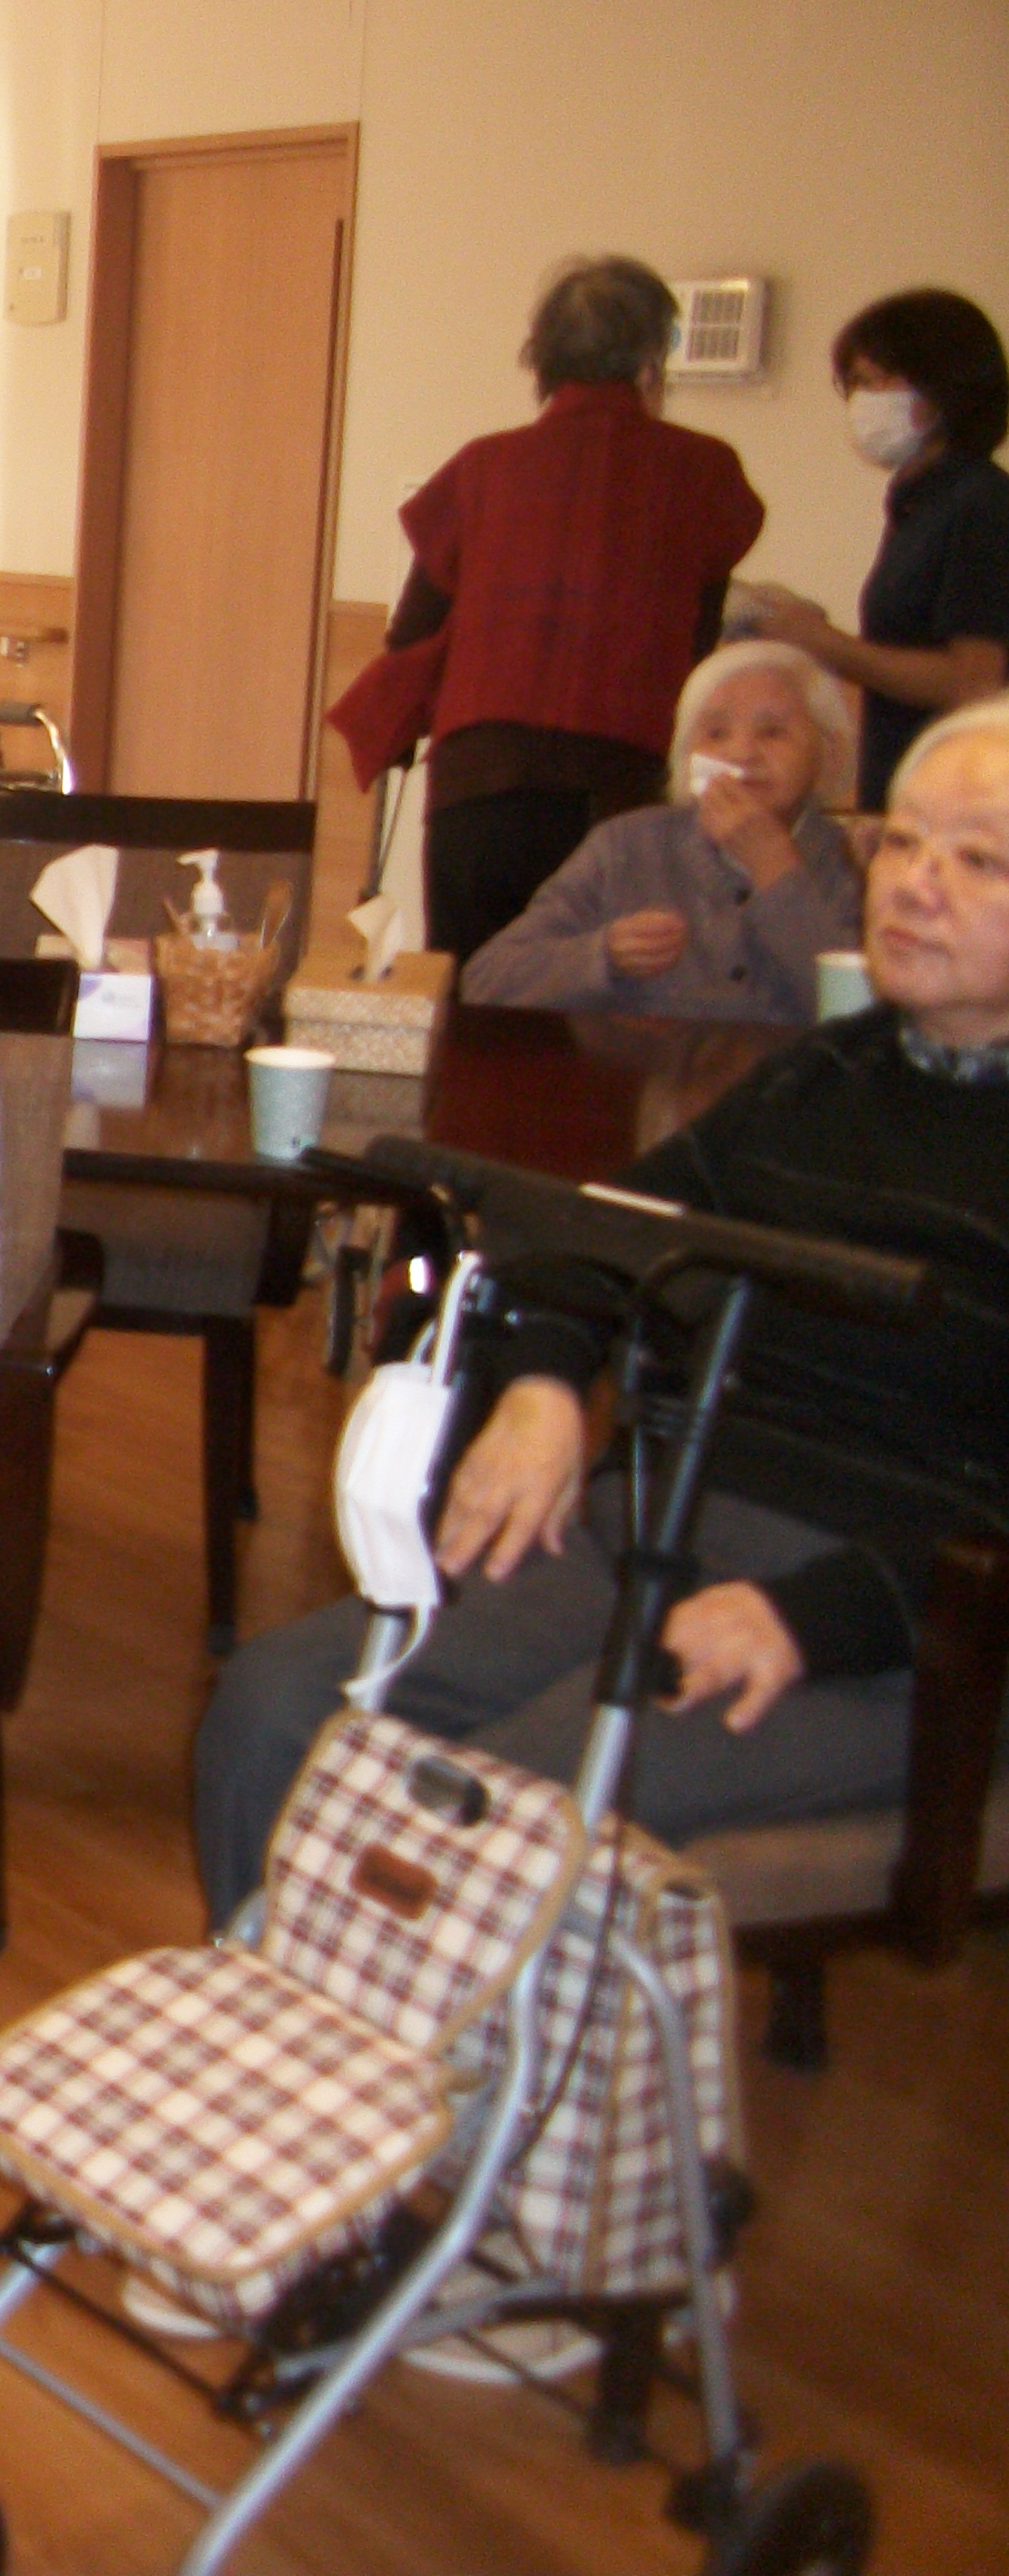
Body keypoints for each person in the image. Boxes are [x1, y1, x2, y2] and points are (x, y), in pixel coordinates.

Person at [197, 694, 1009, 1939]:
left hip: (911, 1627)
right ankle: (277, 2035)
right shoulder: (821, 1076)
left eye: (978, 859)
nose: (915, 884)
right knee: (275, 1706)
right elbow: (599, 1232)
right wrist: (542, 1384)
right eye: (901, 842)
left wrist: (815, 1617)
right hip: (666, 1530)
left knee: (488, 1803)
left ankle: (373, 2052)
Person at [384, 256, 766, 965]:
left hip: (479, 786)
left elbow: (409, 639)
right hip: (616, 785)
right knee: (604, 989)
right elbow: (697, 645)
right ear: (651, 363)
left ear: (543, 362)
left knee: (479, 987)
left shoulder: (482, 466)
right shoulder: (703, 470)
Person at [460, 640, 863, 1023]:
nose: (741, 753)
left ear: (829, 755)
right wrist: (603, 955)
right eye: (716, 733)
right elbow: (486, 981)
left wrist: (774, 868)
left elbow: (870, 1016)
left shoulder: (856, 860)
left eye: (772, 732)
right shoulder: (626, 846)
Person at [746, 289, 1009, 812]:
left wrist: (828, 643)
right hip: (898, 779)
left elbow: (973, 680)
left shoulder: (980, 502)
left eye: (878, 381)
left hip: (957, 794)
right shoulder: (918, 502)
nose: (862, 402)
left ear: (942, 387)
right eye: (855, 384)